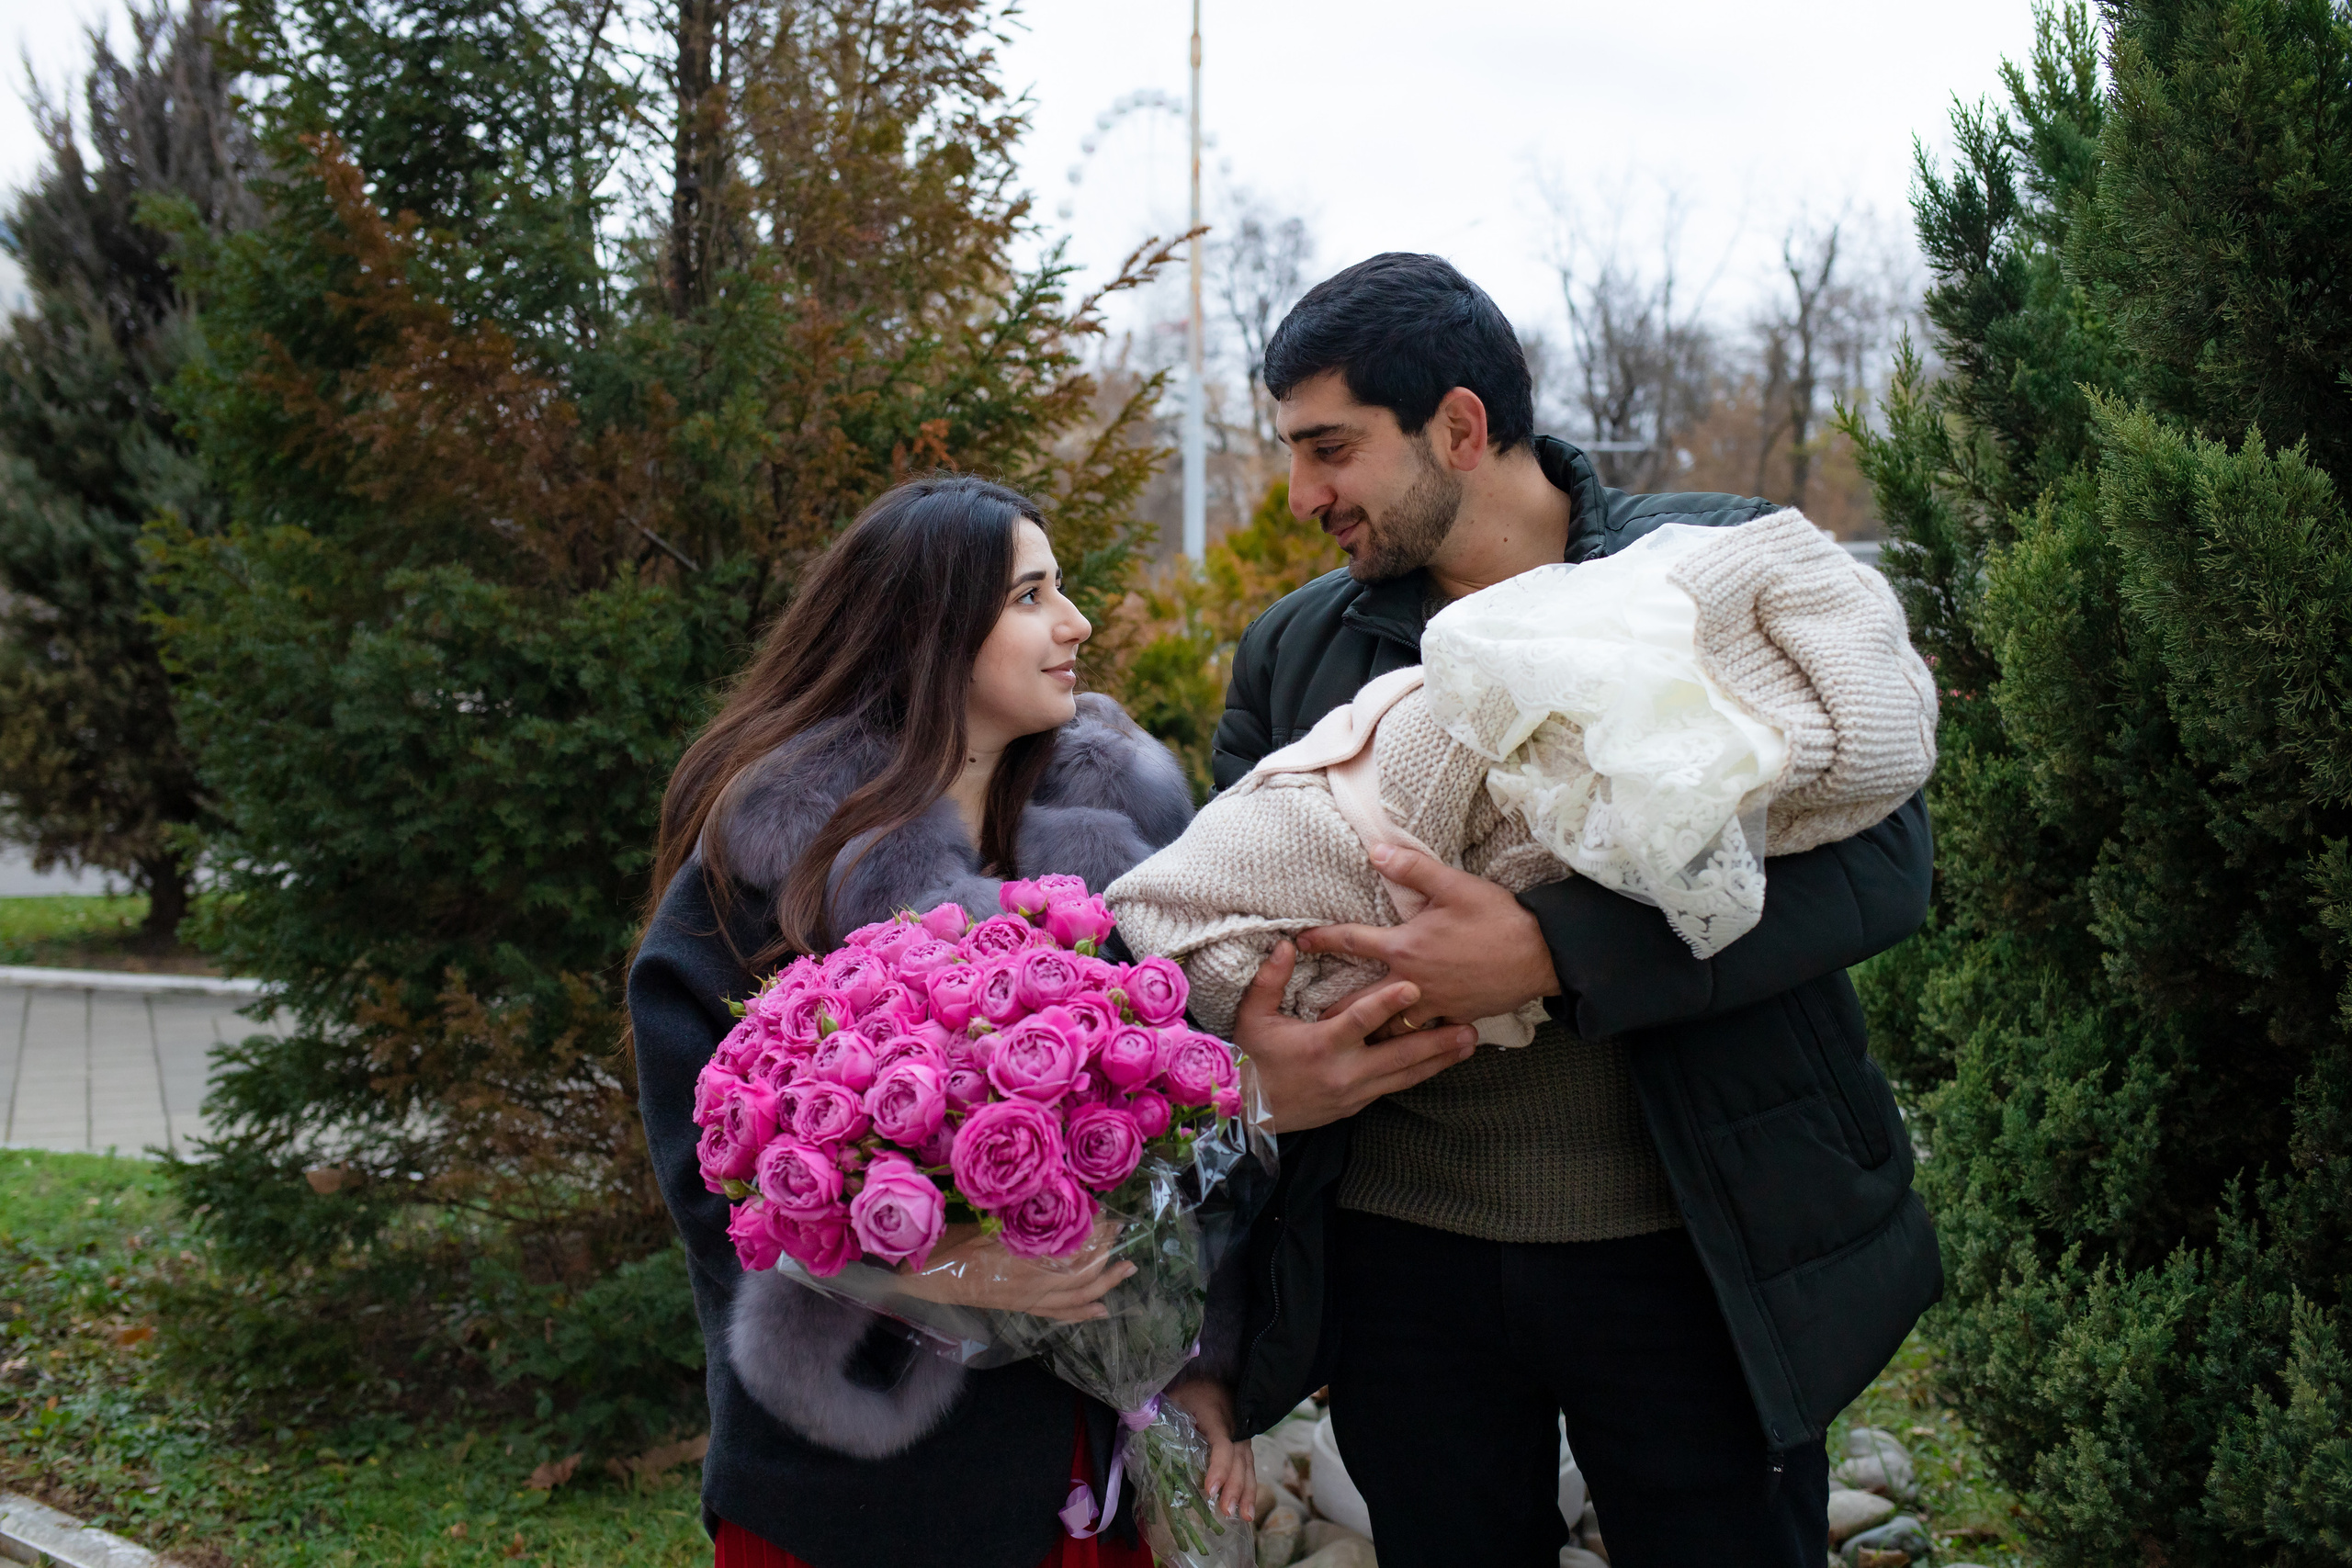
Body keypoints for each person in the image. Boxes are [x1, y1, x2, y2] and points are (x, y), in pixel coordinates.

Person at [1215, 254, 1939, 1568]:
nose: (1304, 494)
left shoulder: (1717, 570)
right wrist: (1263, 1055)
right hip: (1400, 1264)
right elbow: (1237, 915)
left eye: (1330, 448)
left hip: (1694, 1248)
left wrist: (1554, 952)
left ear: (1459, 426)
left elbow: (1881, 864)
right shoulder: (1295, 648)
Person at [627, 474, 1250, 1568]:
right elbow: (710, 1176)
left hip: (1079, 1468)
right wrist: (943, 1268)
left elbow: (1192, 1153)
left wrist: (1193, 1365)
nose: (1076, 623)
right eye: (1030, 597)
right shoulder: (776, 863)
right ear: (929, 631)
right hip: (858, 1491)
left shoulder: (1115, 869)